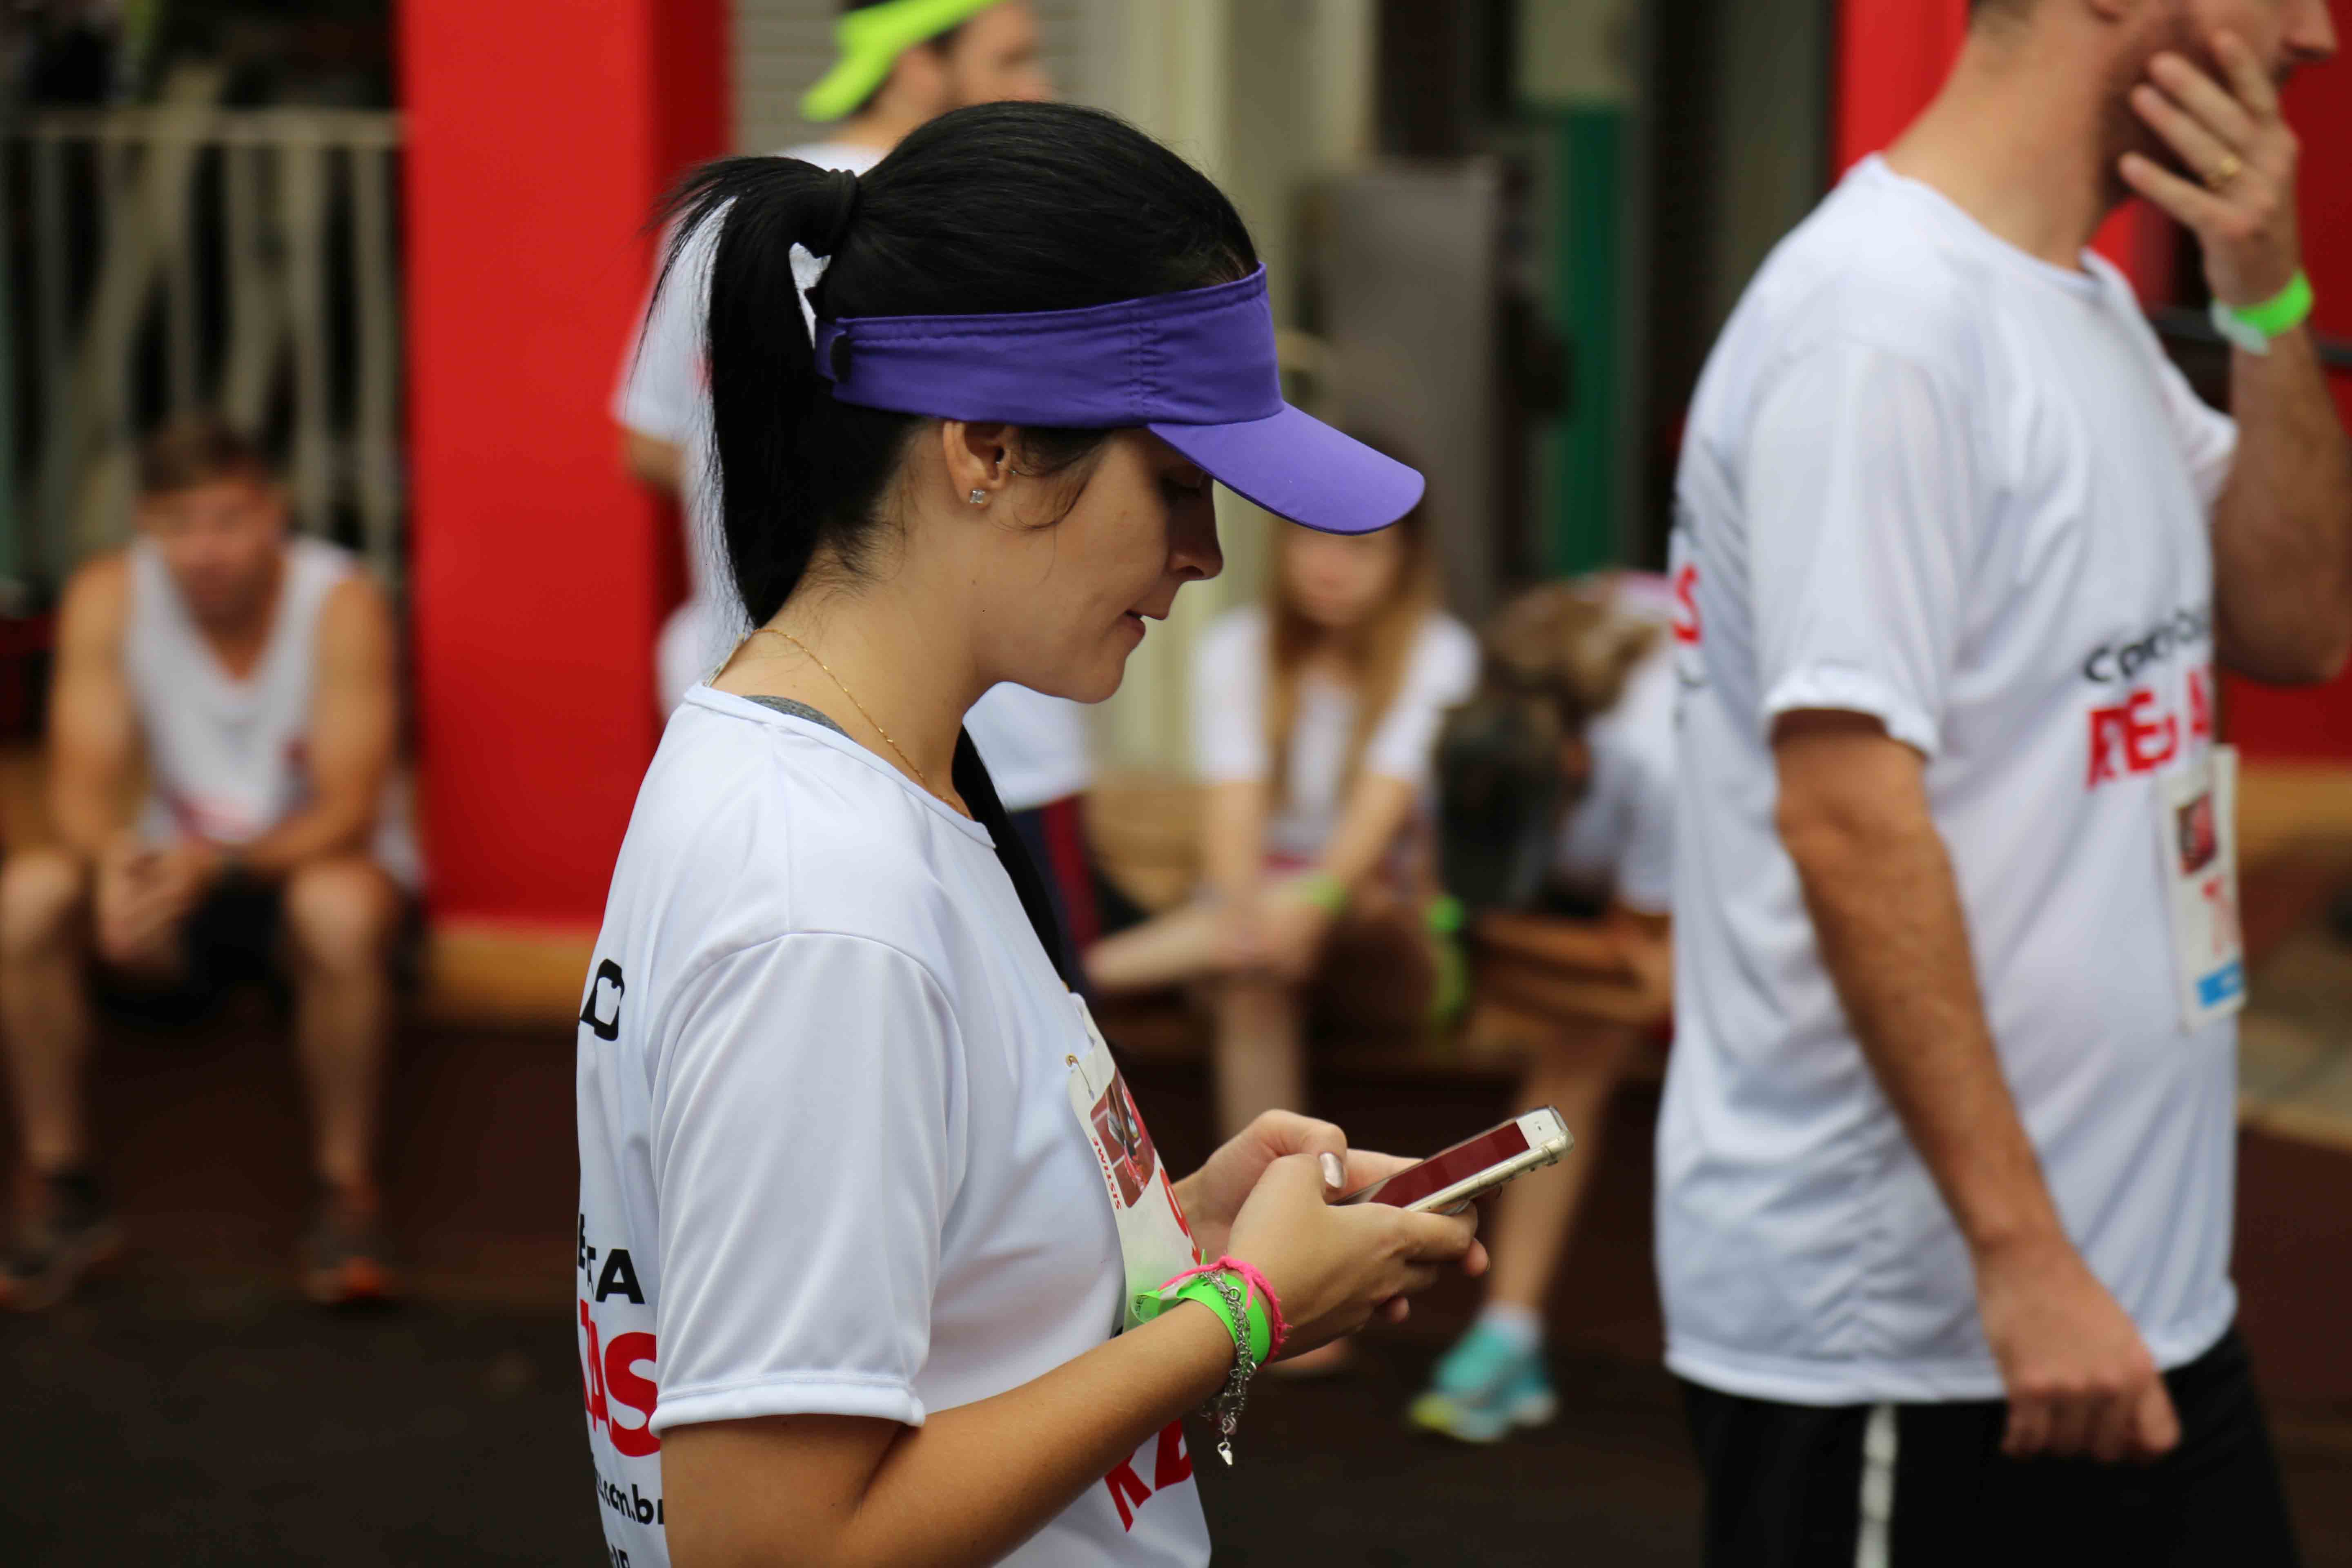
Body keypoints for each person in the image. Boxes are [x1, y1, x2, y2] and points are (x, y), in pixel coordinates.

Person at [576, 102, 1485, 1568]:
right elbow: (771, 1545)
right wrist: (1235, 1319)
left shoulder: (877, 786)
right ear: (986, 447)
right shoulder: (827, 900)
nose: (1206, 553)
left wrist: (1185, 1231)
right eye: (1178, 482)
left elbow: (931, 1316)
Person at [1661, 0, 2350, 1559]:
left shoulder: (2079, 302)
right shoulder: (1880, 324)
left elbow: (2302, 622)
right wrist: (2022, 1253)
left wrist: (2268, 294)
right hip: (1929, 1337)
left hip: (2137, 1305)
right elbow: (1847, 818)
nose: (2312, 32)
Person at [617, 0, 1099, 956]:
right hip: (984, 748)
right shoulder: (993, 232)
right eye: (1014, 59)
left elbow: (652, 441)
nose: (1040, 88)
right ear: (919, 63)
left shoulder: (733, 218)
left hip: (757, 715)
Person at [0, 415, 417, 1311]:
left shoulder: (338, 601)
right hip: (169, 882)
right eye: (180, 523)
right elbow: (78, 781)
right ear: (146, 524)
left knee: (337, 910)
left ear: (274, 513)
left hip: (302, 876)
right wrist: (112, 862)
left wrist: (218, 868)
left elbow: (348, 808)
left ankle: (347, 1194)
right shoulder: (111, 593)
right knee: (27, 896)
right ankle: (61, 1186)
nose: (205, 548)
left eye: (228, 519)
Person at [1083, 478, 1479, 1141]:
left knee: (1362, 898)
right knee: (1253, 984)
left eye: (1364, 548)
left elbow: (1376, 820)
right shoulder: (1238, 648)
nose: (1330, 565)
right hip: (1256, 938)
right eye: (1311, 538)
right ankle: (1273, 1212)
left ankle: (1076, 976)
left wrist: (1310, 905)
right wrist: (1247, 921)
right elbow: (1231, 819)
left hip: (1386, 932)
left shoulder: (1440, 653)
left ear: (1406, 560)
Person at [1409, 574, 1676, 1443]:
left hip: (1728, 877)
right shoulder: (1464, 741)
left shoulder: (1657, 757)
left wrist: (1481, 931)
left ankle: (1510, 1332)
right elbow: (1441, 898)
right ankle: (1510, 1331)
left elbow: (1646, 967)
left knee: (1602, 1021)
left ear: (1575, 768)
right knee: (1587, 1023)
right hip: (1599, 924)